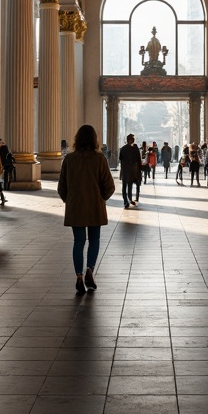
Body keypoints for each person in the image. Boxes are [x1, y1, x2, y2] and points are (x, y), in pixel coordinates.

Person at [57, 123, 115, 295]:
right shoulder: (99, 159)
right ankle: (90, 268)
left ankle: (79, 276)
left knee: (78, 241)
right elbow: (109, 186)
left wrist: (71, 200)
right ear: (94, 140)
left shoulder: (69, 159)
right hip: (94, 207)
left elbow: (61, 187)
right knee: (94, 240)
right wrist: (99, 198)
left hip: (76, 207)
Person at [118, 133, 142, 209]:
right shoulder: (135, 148)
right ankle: (129, 199)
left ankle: (126, 201)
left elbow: (120, 159)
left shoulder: (123, 148)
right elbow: (138, 160)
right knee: (129, 186)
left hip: (125, 170)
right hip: (132, 170)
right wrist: (139, 170)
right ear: (131, 140)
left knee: (125, 186)